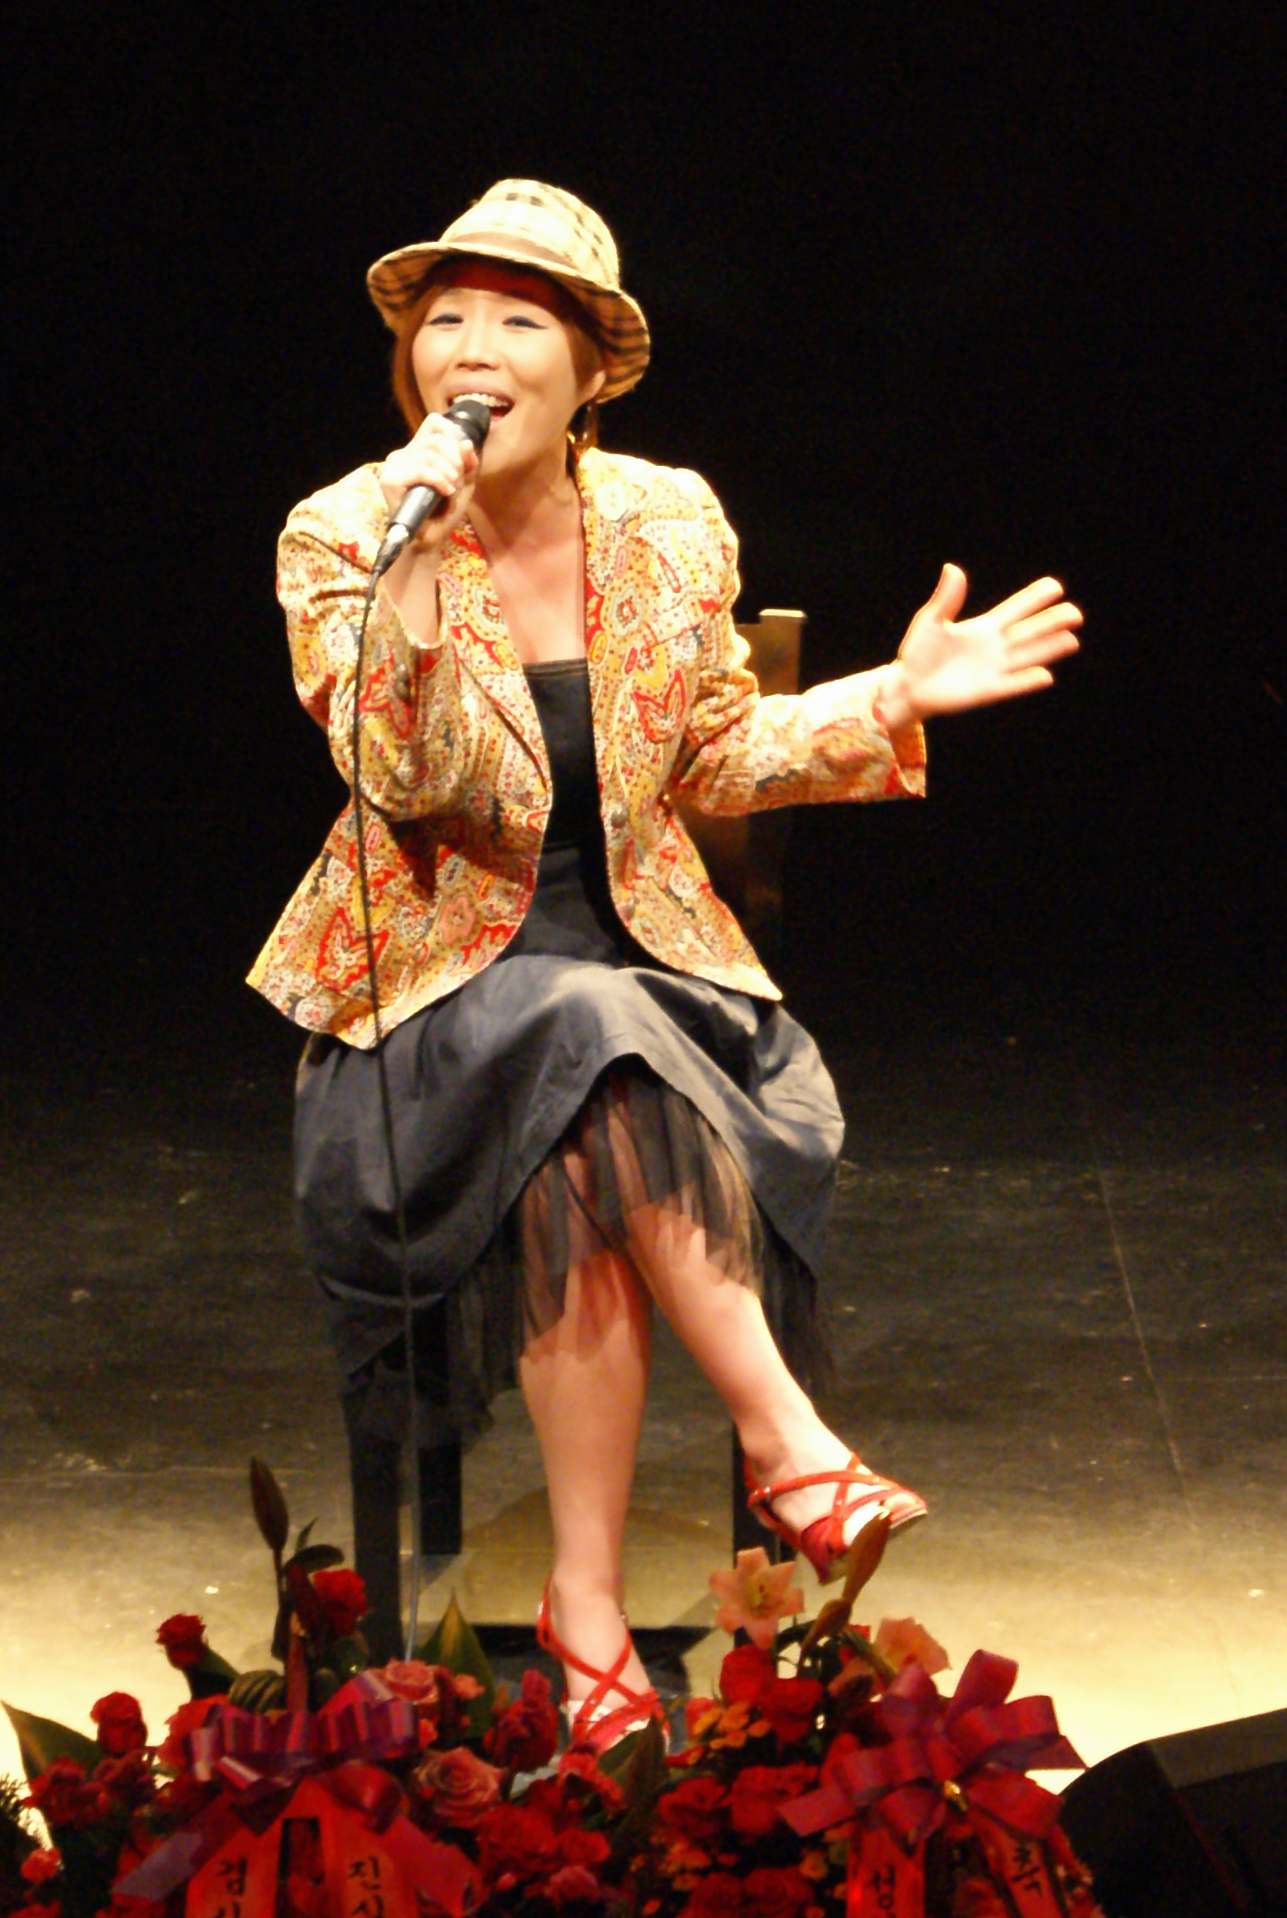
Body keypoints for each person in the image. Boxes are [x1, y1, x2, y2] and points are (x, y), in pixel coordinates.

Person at [249, 180, 1081, 1745]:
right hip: (422, 1000)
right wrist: (412, 569)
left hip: (653, 985)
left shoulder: (666, 519)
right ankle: (787, 1443)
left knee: (597, 1077)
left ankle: (586, 1607)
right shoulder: (343, 530)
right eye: (443, 319)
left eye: (516, 319)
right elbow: (409, 781)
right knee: (590, 1042)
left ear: (588, 370)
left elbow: (707, 755)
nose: (468, 348)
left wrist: (890, 700)